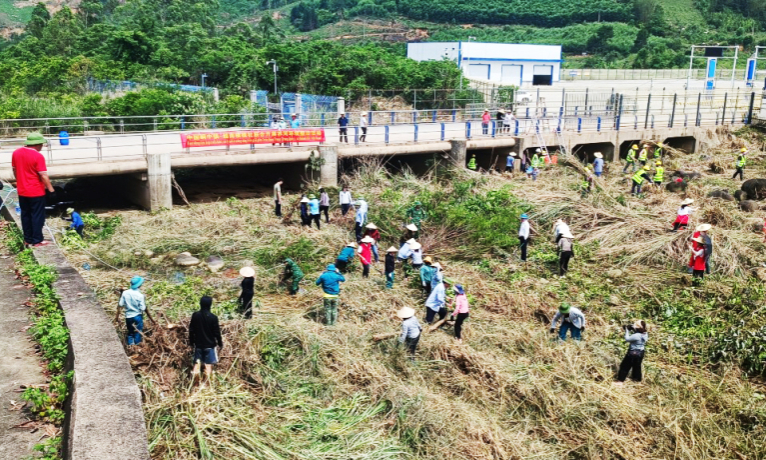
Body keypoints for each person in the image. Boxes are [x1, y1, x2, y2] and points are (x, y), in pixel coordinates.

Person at [11, 132, 55, 247]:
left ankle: (28, 239)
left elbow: (15, 170)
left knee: (25, 215)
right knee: (37, 215)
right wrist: (51, 190)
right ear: (38, 144)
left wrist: (20, 181)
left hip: (22, 190)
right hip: (35, 191)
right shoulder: (38, 156)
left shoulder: (16, 153)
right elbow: (43, 175)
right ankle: (37, 240)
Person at [189, 296, 223, 381]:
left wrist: (191, 342)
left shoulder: (195, 315)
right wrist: (220, 343)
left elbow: (191, 330)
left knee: (196, 364)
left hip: (198, 345)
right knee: (208, 366)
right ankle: (205, 386)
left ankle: (195, 385)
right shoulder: (213, 317)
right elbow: (216, 333)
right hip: (210, 346)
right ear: (210, 305)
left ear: (200, 304)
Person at [116, 276, 155, 346]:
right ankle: (137, 346)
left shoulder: (125, 293)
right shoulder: (140, 295)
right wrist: (152, 319)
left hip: (128, 316)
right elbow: (143, 308)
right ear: (139, 285)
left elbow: (120, 304)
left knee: (130, 332)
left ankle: (130, 346)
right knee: (138, 332)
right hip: (137, 316)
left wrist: (117, 317)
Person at [614, 320, 648, 386]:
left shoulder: (636, 336)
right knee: (637, 367)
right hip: (640, 353)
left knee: (624, 366)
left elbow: (627, 339)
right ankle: (637, 380)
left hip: (633, 353)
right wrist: (633, 328)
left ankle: (620, 381)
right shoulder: (645, 334)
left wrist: (627, 331)